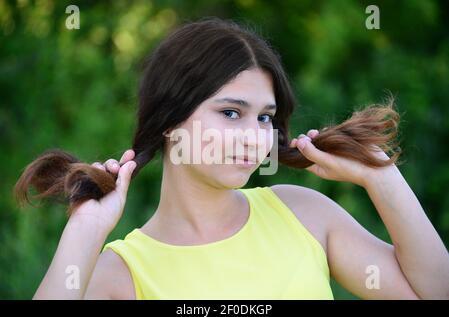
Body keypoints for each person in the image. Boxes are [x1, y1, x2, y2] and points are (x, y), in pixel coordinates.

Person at [14, 17, 449, 300]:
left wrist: (382, 178)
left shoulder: (303, 213)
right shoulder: (119, 274)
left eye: (265, 118)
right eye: (230, 113)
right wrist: (84, 232)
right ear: (169, 120)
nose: (254, 137)